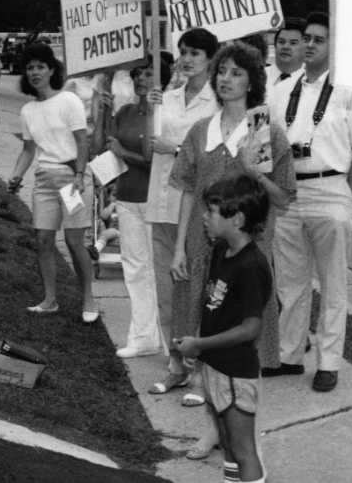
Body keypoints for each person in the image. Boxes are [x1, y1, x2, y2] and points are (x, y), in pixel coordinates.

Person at [170, 42, 296, 458]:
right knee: (205, 341)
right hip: (202, 248)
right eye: (222, 70)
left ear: (253, 80)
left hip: (246, 255)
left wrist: (250, 170)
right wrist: (179, 249)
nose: (226, 79)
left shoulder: (268, 133)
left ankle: (244, 430)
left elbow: (283, 198)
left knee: (242, 346)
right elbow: (188, 191)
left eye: (237, 72)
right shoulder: (200, 130)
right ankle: (213, 428)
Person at [266, 11, 352, 392]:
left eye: (318, 40)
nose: (309, 45)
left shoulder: (350, 91)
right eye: (306, 38)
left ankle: (329, 362)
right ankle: (289, 355)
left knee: (332, 284)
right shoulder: (281, 90)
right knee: (291, 284)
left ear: (334, 46)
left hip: (331, 190)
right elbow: (269, 144)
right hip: (290, 195)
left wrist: (347, 195)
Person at [175, 174, 275, 483]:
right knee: (229, 445)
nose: (204, 216)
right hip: (216, 366)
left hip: (236, 373)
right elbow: (214, 307)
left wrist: (201, 345)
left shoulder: (252, 266)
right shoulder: (221, 250)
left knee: (244, 450)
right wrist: (197, 345)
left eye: (212, 211)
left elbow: (251, 327)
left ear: (238, 218)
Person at [144, 28, 220, 398]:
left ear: (211, 58)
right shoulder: (168, 97)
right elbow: (149, 145)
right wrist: (150, 107)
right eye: (184, 52)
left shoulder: (218, 102)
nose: (187, 59)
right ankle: (176, 365)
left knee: (199, 291)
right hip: (161, 202)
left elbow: (213, 157)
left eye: (196, 53)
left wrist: (174, 148)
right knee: (166, 290)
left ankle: (203, 370)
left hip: (197, 209)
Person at [6, 43, 98, 323]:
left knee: (74, 242)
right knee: (43, 241)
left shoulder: (68, 100)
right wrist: (16, 176)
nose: (35, 72)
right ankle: (50, 300)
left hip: (73, 179)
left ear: (51, 70)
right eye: (30, 67)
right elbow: (28, 150)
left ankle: (89, 300)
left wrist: (81, 176)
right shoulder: (28, 111)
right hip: (44, 180)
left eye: (41, 67)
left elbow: (83, 142)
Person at [91, 60, 172, 359]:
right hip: (126, 197)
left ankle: (167, 338)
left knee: (158, 271)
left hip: (155, 199)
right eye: (138, 73)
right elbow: (100, 148)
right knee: (135, 270)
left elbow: (155, 158)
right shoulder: (126, 112)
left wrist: (124, 152)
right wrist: (103, 112)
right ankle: (142, 337)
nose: (141, 78)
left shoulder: (165, 112)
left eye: (149, 73)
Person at [265, 18, 306, 87]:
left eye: (293, 43)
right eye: (281, 42)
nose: (285, 47)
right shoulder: (259, 76)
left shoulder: (312, 80)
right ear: (275, 45)